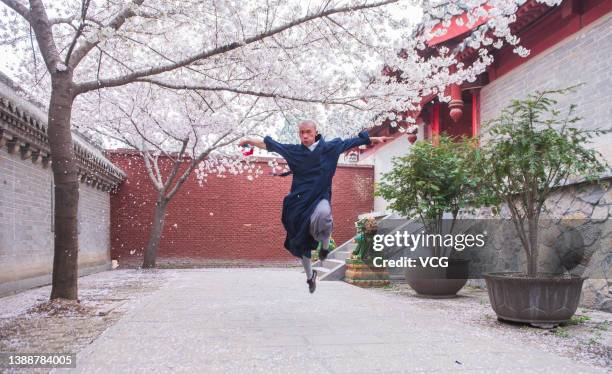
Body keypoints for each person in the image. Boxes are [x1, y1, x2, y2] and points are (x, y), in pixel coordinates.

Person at [239, 120, 392, 293]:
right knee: (301, 239)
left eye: (308, 132)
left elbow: (354, 141)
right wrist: (250, 141)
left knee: (325, 215)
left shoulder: (330, 148)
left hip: (320, 196)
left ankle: (325, 247)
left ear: (315, 132)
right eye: (302, 133)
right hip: (299, 200)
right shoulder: (294, 151)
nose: (305, 136)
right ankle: (310, 276)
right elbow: (270, 145)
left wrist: (374, 138)